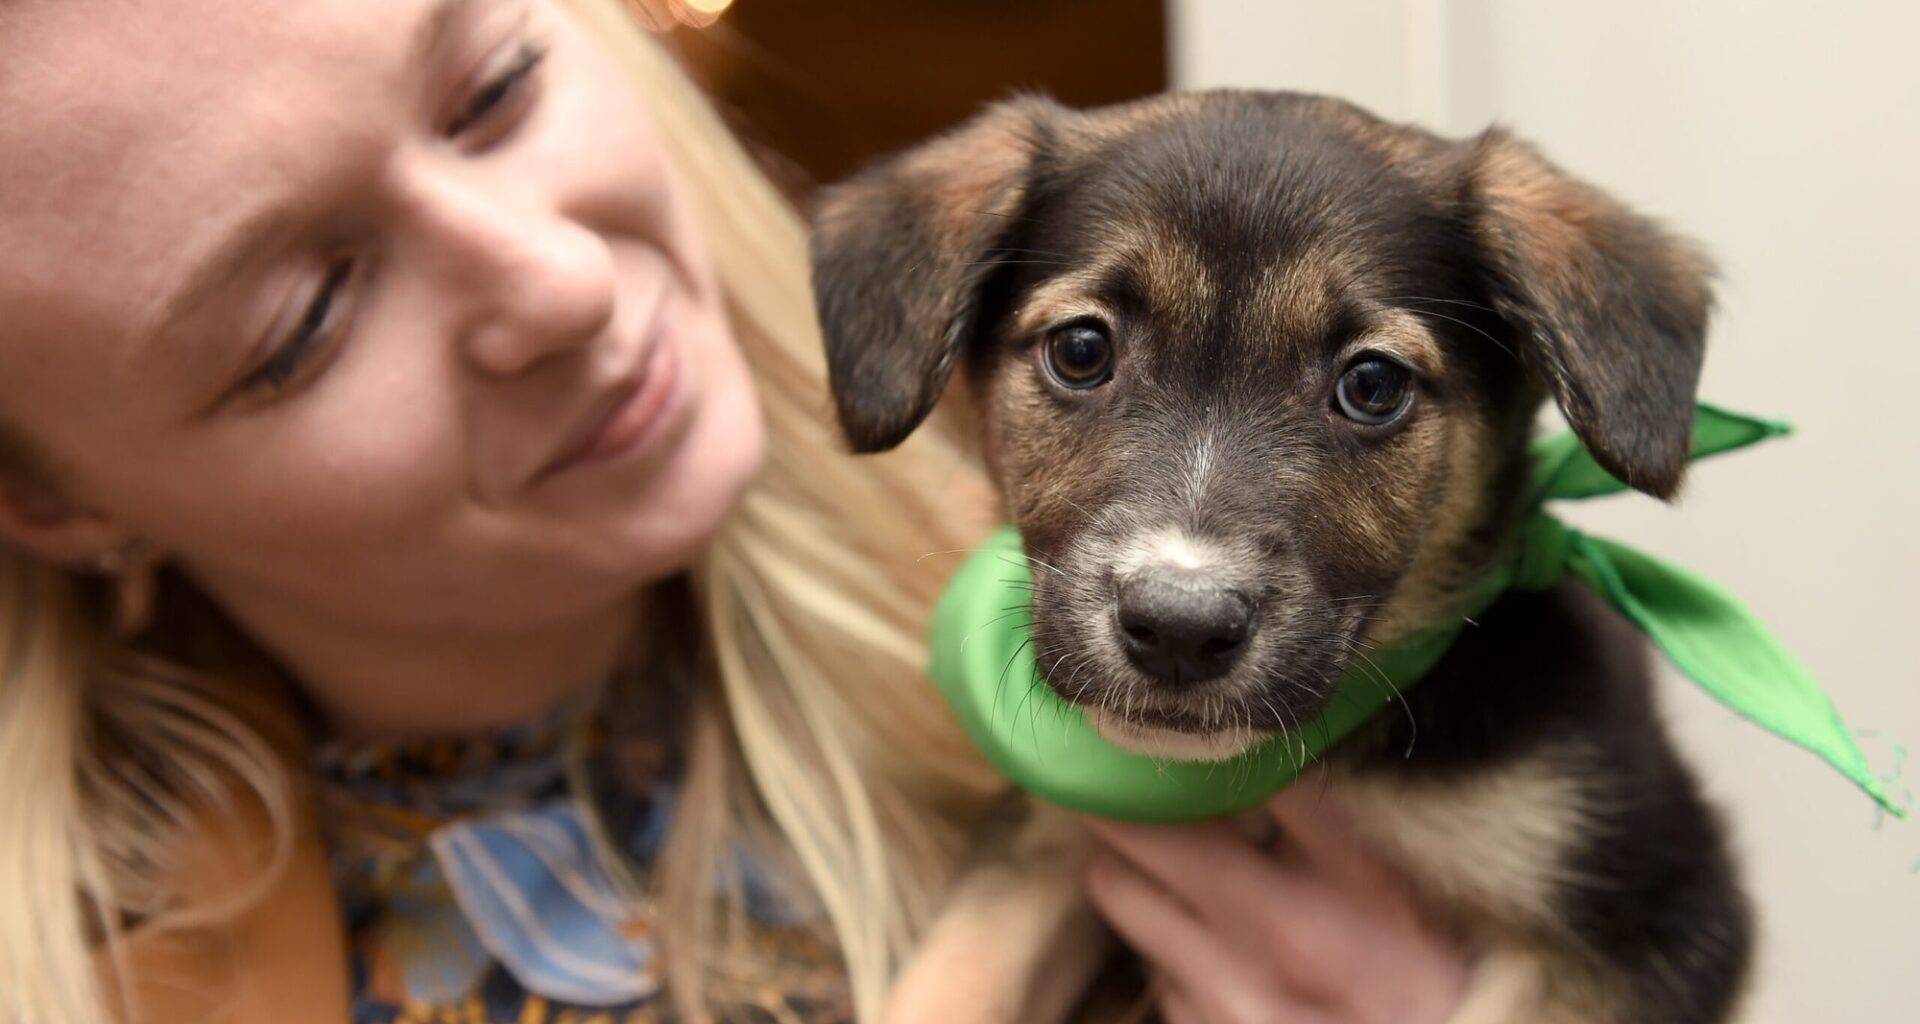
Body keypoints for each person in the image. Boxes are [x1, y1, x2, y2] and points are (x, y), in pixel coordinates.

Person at [0, 2, 1466, 1022]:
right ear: (53, 500)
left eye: (492, 88)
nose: (557, 283)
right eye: (305, 316)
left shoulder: (1137, 630)